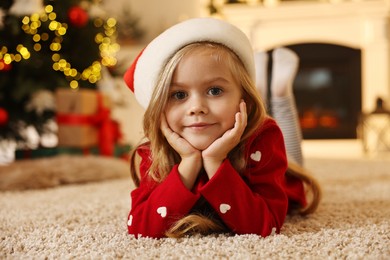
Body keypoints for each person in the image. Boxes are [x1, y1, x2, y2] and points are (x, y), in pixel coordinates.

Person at [123, 18, 321, 239]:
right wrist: (189, 163)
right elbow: (141, 228)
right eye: (179, 95)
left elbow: (266, 226)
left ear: (243, 98)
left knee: (292, 156)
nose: (196, 107)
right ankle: (269, 88)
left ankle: (280, 94)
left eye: (215, 91)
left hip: (279, 168)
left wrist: (215, 162)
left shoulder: (264, 135)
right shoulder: (155, 149)